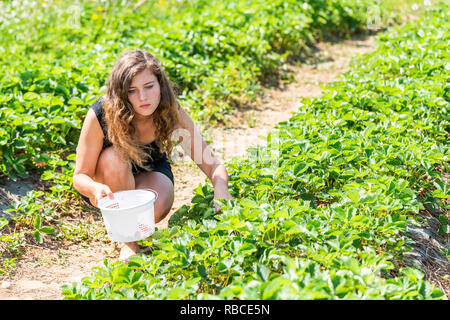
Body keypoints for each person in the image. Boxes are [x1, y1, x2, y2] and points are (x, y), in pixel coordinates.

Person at [72, 49, 233, 261]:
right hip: (108, 179)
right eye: (132, 91)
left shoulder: (169, 110)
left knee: (158, 204)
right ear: (121, 92)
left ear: (160, 85)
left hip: (148, 172)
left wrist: (221, 190)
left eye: (149, 87)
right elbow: (80, 175)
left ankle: (134, 230)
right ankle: (128, 242)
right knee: (115, 158)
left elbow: (212, 164)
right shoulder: (101, 114)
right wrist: (95, 188)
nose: (143, 97)